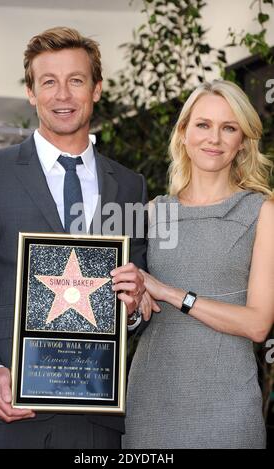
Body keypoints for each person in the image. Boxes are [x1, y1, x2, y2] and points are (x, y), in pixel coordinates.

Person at [0, 26, 147, 449]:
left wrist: (133, 308)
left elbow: (139, 302)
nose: (63, 95)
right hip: (6, 410)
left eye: (76, 80)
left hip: (95, 419)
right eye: (48, 82)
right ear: (32, 93)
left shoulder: (129, 186)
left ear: (97, 89)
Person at [122, 80, 274, 449]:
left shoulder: (261, 213)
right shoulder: (150, 213)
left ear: (243, 141)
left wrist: (171, 293)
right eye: (203, 125)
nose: (215, 139)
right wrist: (131, 304)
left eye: (229, 127)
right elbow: (133, 313)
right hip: (151, 400)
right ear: (184, 133)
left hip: (228, 406)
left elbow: (257, 325)